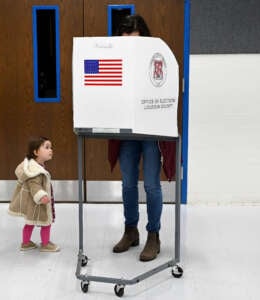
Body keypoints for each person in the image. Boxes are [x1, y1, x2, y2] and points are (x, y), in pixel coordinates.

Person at [108, 14, 176, 262]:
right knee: (127, 183)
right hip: (126, 130)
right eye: (125, 40)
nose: (130, 47)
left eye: (135, 40)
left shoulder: (157, 57)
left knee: (150, 185)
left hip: (151, 130)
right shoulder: (114, 59)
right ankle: (131, 230)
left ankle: (154, 236)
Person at [8, 136, 59, 252]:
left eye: (51, 147)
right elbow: (34, 185)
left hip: (32, 203)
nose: (51, 150)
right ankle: (45, 244)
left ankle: (26, 243)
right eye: (47, 147)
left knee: (29, 222)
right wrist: (42, 196)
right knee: (46, 222)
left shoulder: (35, 167)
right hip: (38, 202)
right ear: (36, 152)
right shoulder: (35, 170)